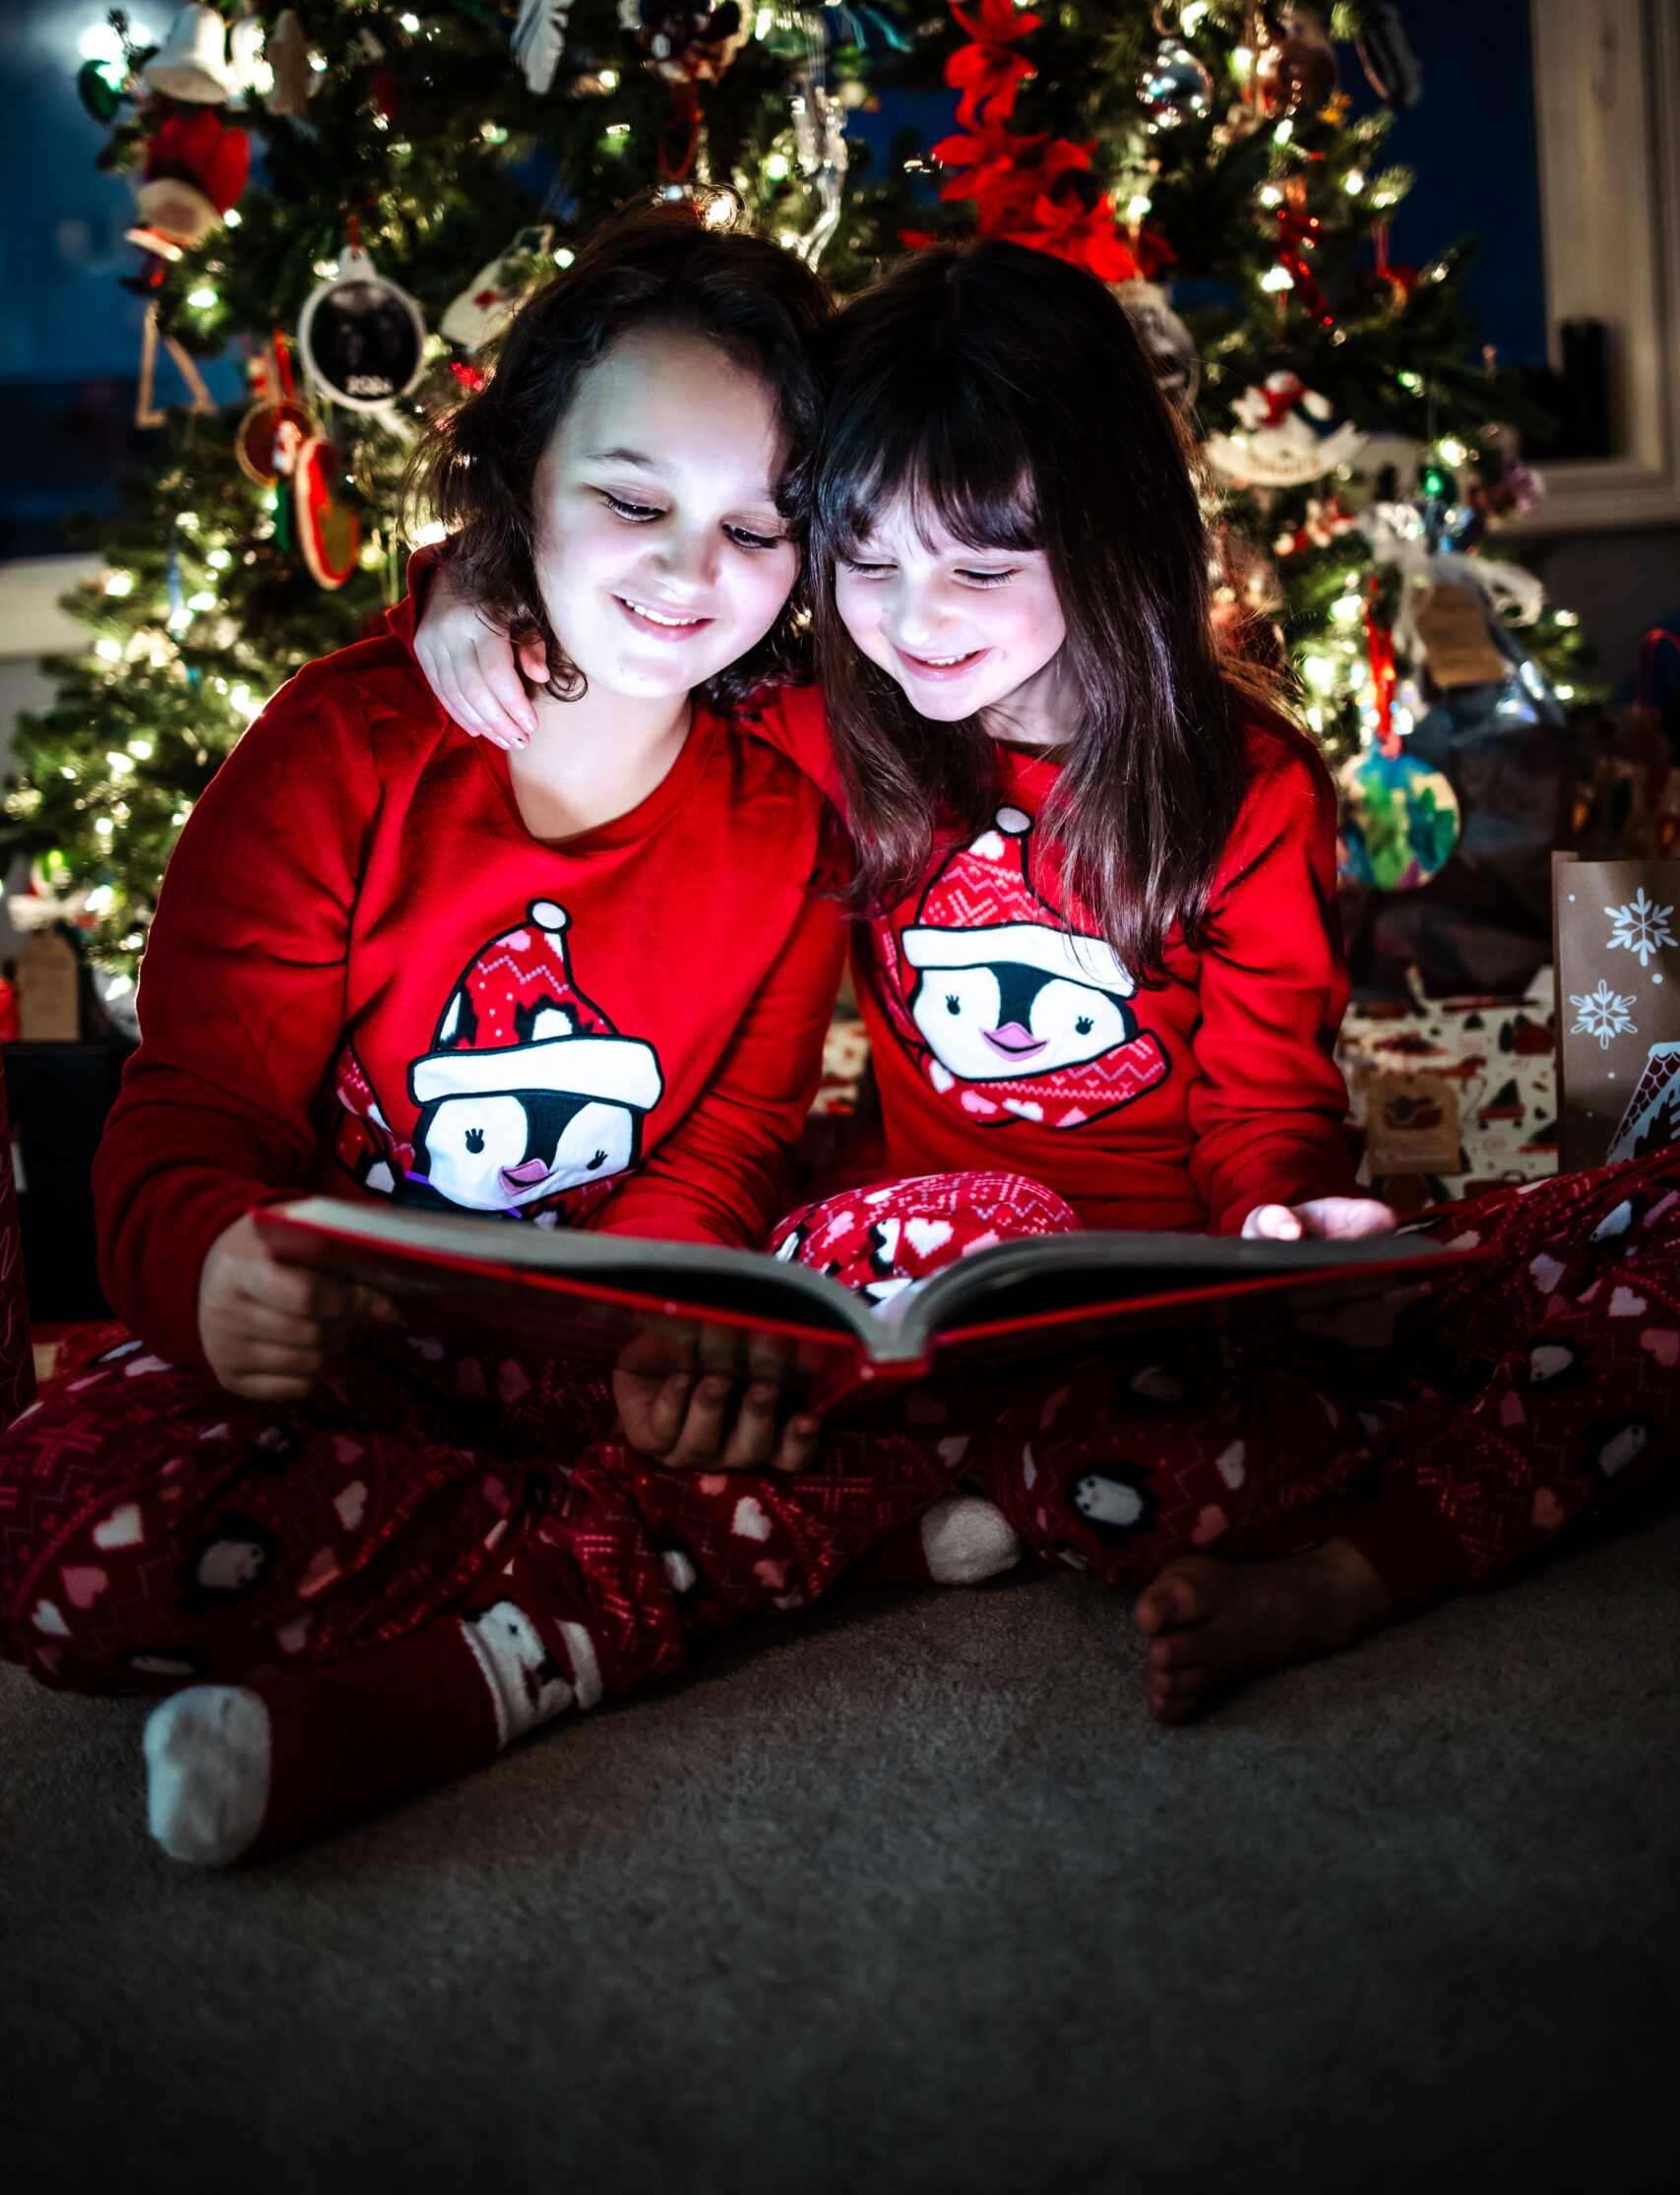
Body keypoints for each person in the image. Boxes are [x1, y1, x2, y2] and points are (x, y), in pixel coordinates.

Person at [416, 237, 1680, 1725]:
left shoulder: (1249, 789)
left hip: (1176, 1336)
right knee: (841, 1305)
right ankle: (1016, 1500)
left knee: (1645, 1239)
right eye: (865, 563)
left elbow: (1265, 1107)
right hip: (924, 1312)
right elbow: (608, 617)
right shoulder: (827, 730)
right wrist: (463, 582)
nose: (911, 619)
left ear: (1105, 528)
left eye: (981, 566)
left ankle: (1342, 1574)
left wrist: (1289, 1229)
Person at [0, 207, 1016, 1869]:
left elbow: (727, 1142)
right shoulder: (346, 753)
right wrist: (212, 1275)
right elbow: (184, 1117)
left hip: (603, 1377)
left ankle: (585, 1584)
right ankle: (702, 1568)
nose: (695, 575)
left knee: (969, 1246)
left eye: (762, 526)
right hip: (348, 1372)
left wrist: (659, 1325)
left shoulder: (792, 796)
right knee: (57, 1525)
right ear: (520, 478)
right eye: (630, 500)